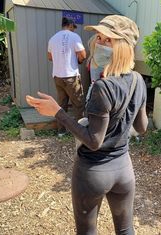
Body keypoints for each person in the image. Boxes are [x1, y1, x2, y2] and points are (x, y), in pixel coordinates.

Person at [26, 14, 148, 235]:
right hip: (124, 170)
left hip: (93, 173)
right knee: (126, 229)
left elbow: (93, 141)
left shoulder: (102, 87)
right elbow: (142, 127)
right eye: (99, 37)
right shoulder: (139, 80)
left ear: (123, 47)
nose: (99, 43)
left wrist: (58, 112)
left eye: (108, 39)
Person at [48, 17, 86, 136]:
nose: (74, 30)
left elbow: (49, 57)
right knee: (78, 104)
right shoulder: (74, 37)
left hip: (57, 76)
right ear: (69, 25)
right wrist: (78, 60)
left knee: (61, 105)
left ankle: (61, 131)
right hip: (71, 76)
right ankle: (81, 132)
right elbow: (83, 55)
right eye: (73, 27)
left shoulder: (53, 39)